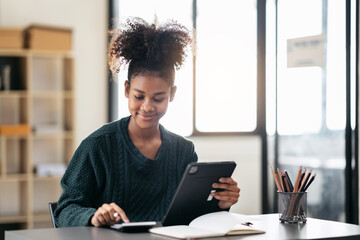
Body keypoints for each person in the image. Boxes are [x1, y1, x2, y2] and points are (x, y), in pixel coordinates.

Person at [54, 17, 240, 227]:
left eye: (158, 98)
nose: (147, 106)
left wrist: (221, 204)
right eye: (139, 96)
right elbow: (65, 209)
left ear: (172, 94)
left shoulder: (183, 151)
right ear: (126, 90)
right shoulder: (98, 145)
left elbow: (190, 215)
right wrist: (93, 216)